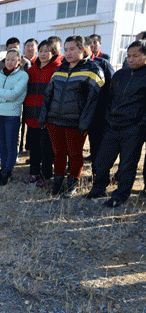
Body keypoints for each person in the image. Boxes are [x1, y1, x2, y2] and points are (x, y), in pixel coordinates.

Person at [39, 35, 104, 198]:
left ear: (82, 49)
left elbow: (93, 101)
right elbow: (48, 95)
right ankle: (58, 183)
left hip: (75, 123)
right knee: (58, 153)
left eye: (72, 49)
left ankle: (72, 185)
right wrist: (44, 115)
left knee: (75, 155)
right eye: (66, 49)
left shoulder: (93, 70)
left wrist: (85, 122)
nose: (68, 53)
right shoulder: (60, 69)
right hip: (54, 120)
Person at [86, 40, 146, 207]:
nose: (131, 59)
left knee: (127, 164)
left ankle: (120, 195)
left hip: (133, 129)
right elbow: (109, 98)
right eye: (128, 56)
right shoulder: (120, 74)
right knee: (101, 161)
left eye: (136, 56)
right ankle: (98, 188)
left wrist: (140, 125)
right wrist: (107, 119)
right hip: (112, 125)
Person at [22, 39, 62, 187]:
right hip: (32, 116)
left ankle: (45, 175)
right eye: (41, 51)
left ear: (53, 52)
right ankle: (33, 173)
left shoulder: (58, 69)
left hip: (47, 117)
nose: (44, 54)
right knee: (34, 147)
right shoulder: (31, 70)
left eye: (47, 51)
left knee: (46, 148)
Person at [0, 48, 29, 185]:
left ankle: (8, 172)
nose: (10, 62)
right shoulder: (0, 74)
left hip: (12, 114)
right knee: (2, 144)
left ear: (19, 61)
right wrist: (4, 95)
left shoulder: (23, 75)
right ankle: (2, 169)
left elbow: (14, 94)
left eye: (13, 59)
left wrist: (0, 95)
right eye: (7, 59)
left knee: (11, 145)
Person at [83, 36, 115, 173]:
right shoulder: (71, 65)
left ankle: (97, 175)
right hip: (78, 112)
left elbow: (111, 89)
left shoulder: (103, 64)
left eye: (80, 47)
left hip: (98, 113)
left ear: (90, 48)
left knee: (97, 144)